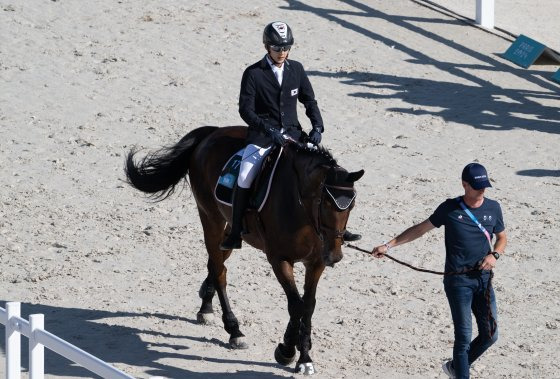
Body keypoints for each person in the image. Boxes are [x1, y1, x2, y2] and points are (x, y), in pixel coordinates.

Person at [220, 21, 361, 250]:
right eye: (277, 48)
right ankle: (235, 230)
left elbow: (309, 100)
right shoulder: (254, 73)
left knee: (328, 170)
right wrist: (270, 131)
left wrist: (317, 127)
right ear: (267, 47)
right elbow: (246, 110)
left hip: (295, 135)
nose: (282, 53)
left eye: (285, 48)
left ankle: (338, 228)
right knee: (245, 175)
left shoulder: (296, 69)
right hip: (263, 137)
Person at [371, 163, 507, 379]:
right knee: (463, 337)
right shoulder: (449, 209)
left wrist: (495, 255)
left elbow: (501, 238)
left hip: (483, 279)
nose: (483, 190)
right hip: (458, 283)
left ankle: (455, 367)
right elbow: (420, 229)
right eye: (477, 186)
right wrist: (388, 245)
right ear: (465, 185)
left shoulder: (493, 208)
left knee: (490, 334)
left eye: (485, 186)